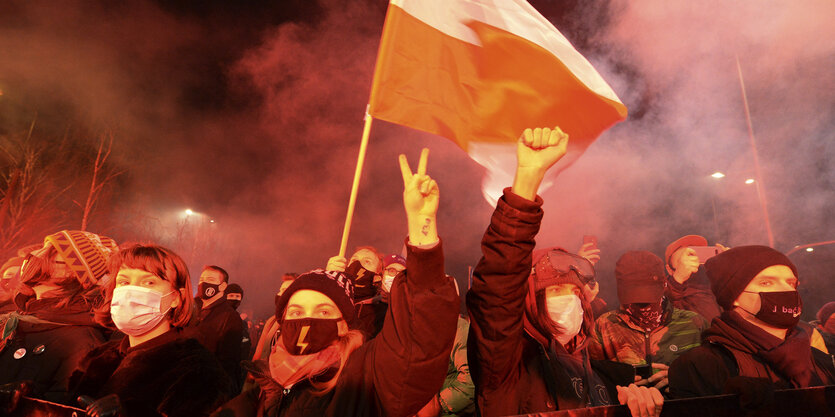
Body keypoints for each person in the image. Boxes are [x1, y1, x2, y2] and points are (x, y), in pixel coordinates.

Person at [212, 148, 458, 417]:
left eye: (324, 311)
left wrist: (422, 228)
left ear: (344, 324)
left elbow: (417, 341)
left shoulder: (359, 378)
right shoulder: (259, 389)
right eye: (296, 311)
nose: (308, 319)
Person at [466, 127, 663, 417]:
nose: (570, 301)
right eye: (555, 291)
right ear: (531, 299)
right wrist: (527, 182)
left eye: (574, 292)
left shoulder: (603, 378)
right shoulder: (507, 365)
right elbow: (499, 285)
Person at [69, 244, 234, 417]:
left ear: (175, 298)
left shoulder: (199, 372)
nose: (132, 291)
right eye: (124, 282)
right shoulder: (98, 357)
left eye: (149, 282)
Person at [668, 245, 835, 400]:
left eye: (791, 282)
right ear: (734, 297)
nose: (786, 289)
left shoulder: (821, 360)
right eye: (766, 282)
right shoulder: (702, 367)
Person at [0, 230, 116, 405]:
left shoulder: (82, 343)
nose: (35, 255)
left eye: (50, 251)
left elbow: (61, 406)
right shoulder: (16, 320)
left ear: (73, 272)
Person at [590, 251, 708, 394]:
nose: (643, 307)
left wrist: (682, 380)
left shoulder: (694, 324)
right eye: (634, 299)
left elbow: (714, 380)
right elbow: (593, 383)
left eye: (648, 298)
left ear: (664, 284)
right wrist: (618, 382)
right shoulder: (604, 326)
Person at [190, 265, 244, 391]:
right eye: (201, 279)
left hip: (204, 387)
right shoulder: (190, 308)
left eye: (210, 279)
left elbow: (228, 363)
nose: (203, 283)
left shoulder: (230, 317)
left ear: (223, 286)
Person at [326, 246, 387, 338]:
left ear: (377, 276)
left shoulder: (383, 312)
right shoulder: (333, 296)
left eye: (367, 261)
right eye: (354, 260)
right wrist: (328, 279)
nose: (357, 264)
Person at [664, 235, 723, 321]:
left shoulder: (717, 288)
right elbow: (663, 310)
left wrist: (732, 265)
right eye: (682, 260)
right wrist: (678, 279)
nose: (690, 262)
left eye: (693, 256)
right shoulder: (666, 295)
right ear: (669, 269)